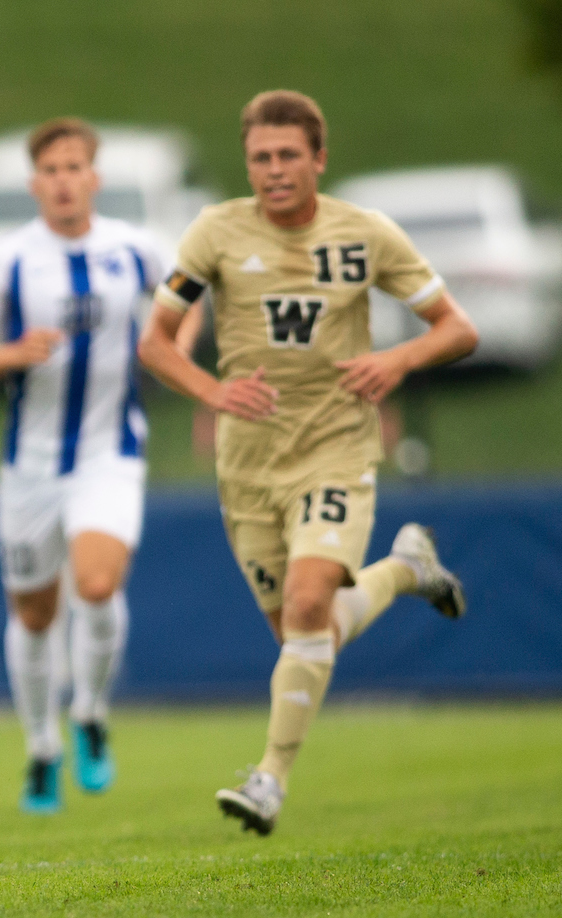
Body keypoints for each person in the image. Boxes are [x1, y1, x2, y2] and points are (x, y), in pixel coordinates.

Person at [138, 90, 478, 835]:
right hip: (249, 466)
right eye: (261, 157)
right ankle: (405, 570)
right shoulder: (215, 231)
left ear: (318, 159)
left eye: (289, 154)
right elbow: (156, 342)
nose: (274, 169)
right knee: (307, 630)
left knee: (305, 610)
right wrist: (213, 392)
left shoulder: (367, 234)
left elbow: (457, 329)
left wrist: (398, 359)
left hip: (336, 449)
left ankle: (268, 781)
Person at [0, 118, 202, 814]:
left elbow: (190, 302)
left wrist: (170, 343)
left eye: (73, 168)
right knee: (33, 614)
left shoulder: (136, 249)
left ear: (95, 178)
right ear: (36, 184)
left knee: (96, 580)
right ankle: (40, 747)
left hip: (109, 452)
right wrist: (11, 353)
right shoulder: (10, 261)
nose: (62, 180)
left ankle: (88, 711)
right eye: (49, 170)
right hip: (30, 465)